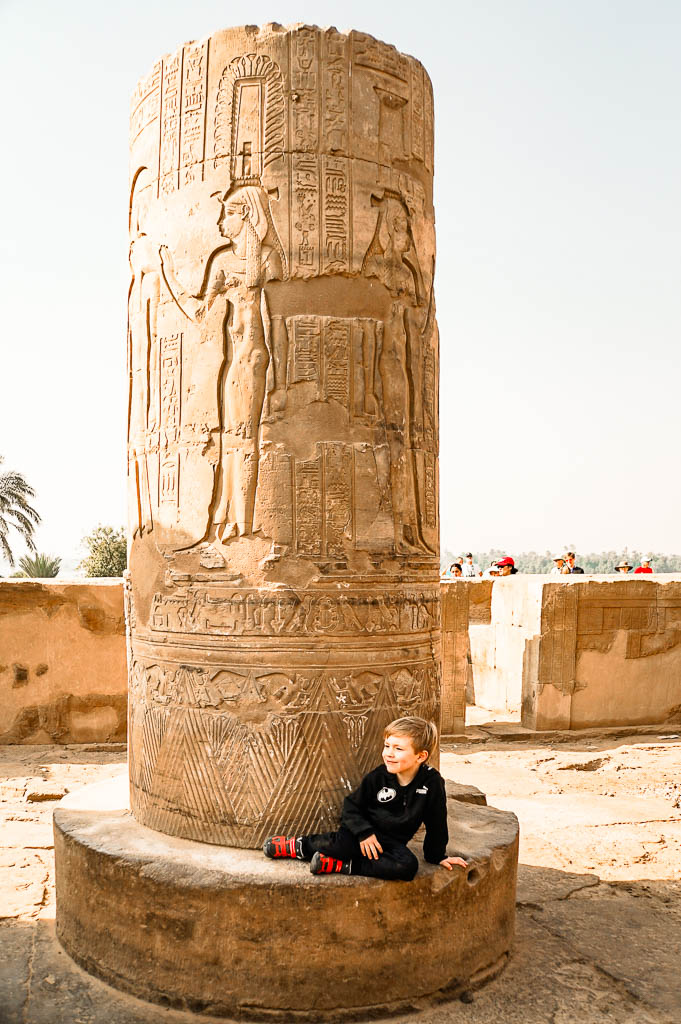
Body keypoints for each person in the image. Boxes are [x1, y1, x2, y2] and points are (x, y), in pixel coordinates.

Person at [263, 717, 467, 880]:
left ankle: (340, 866)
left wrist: (437, 856)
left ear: (420, 756)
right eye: (387, 746)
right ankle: (297, 846)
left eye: (398, 748)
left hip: (390, 843)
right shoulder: (379, 776)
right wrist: (364, 833)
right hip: (359, 834)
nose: (389, 753)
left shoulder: (431, 783)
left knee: (407, 866)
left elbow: (436, 821)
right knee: (341, 845)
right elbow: (351, 806)